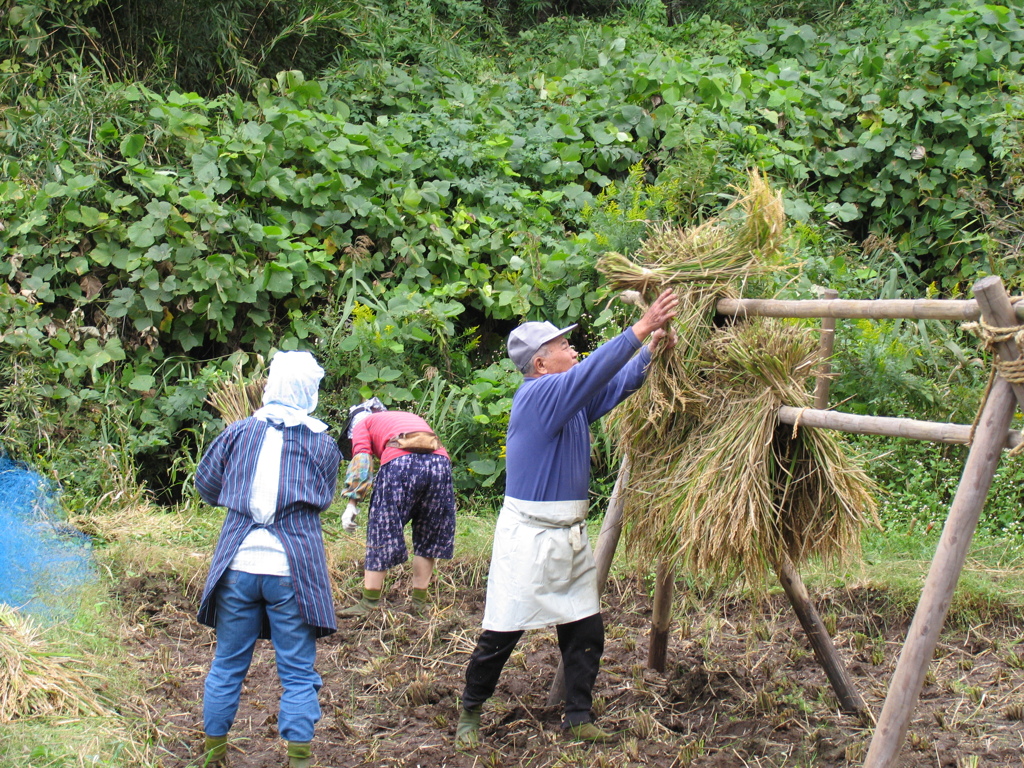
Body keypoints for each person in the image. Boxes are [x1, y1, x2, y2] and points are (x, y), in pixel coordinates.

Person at [454, 289, 679, 748]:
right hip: (529, 537)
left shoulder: (567, 401)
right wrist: (641, 328)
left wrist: (651, 352)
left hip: (568, 535)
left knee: (585, 630)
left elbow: (613, 385)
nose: (573, 350)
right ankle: (470, 712)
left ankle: (578, 714)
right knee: (502, 632)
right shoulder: (539, 397)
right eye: (563, 346)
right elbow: (596, 369)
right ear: (540, 364)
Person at [194, 351, 342, 768]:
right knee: (297, 671)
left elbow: (205, 485)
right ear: (308, 391)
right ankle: (297, 758)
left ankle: (214, 755)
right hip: (292, 568)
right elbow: (324, 497)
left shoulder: (237, 432)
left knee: (226, 665)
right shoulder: (322, 443)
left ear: (271, 385)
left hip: (238, 565)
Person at [338, 400, 456, 617]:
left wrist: (352, 503)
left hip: (400, 465)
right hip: (440, 464)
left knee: (382, 529)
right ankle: (420, 603)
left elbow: (362, 461)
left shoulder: (363, 424)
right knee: (429, 533)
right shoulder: (404, 417)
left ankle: (369, 603)